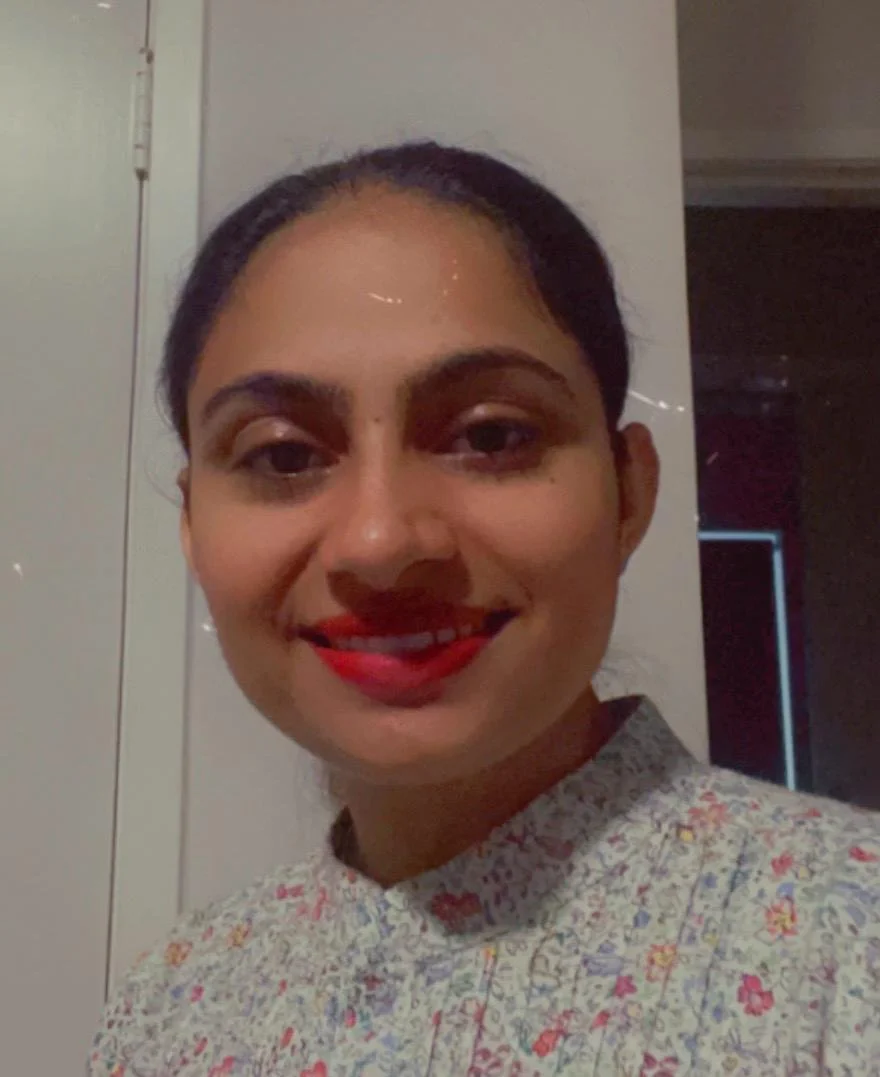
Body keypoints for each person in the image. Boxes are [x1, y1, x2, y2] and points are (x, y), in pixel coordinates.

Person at [89, 142, 880, 1077]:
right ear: (191, 525)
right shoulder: (170, 1012)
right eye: (283, 454)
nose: (380, 542)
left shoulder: (846, 940)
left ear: (630, 492)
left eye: (490, 435)